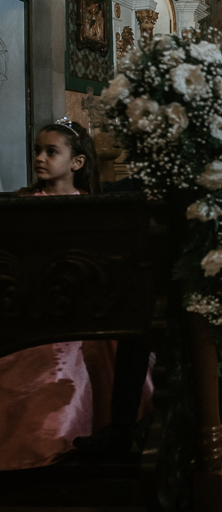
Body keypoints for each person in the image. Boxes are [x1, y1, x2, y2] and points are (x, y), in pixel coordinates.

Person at [0, 120, 126, 469]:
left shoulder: (90, 207)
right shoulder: (22, 205)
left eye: (51, 151)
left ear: (77, 163)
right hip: (29, 305)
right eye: (37, 151)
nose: (40, 158)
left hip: (80, 309)